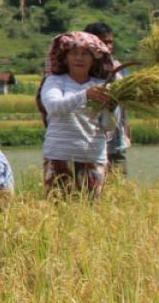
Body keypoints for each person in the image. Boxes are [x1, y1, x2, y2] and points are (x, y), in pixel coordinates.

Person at [39, 31, 117, 198]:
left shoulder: (101, 86)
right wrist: (85, 95)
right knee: (58, 209)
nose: (79, 58)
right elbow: (54, 107)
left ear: (94, 58)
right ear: (65, 58)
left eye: (85, 54)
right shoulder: (55, 82)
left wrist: (111, 108)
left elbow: (108, 126)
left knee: (90, 213)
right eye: (74, 53)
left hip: (93, 157)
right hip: (60, 156)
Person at [83, 21, 132, 175]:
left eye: (110, 42)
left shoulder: (119, 68)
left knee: (118, 190)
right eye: (103, 42)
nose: (107, 46)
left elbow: (124, 104)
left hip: (115, 143)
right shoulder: (80, 68)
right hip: (86, 143)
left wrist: (127, 130)